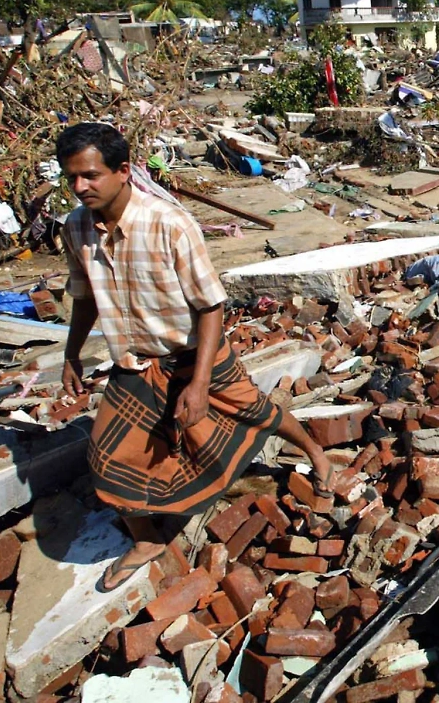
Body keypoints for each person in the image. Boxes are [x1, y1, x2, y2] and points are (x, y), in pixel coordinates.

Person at [58, 122, 338, 591]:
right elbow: (84, 296)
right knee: (105, 456)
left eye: (90, 175)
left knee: (255, 410)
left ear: (123, 171)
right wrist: (71, 355)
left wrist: (200, 382)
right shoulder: (76, 228)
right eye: (72, 178)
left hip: (193, 353)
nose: (80, 186)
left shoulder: (168, 223)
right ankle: (147, 539)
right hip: (135, 362)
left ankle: (315, 453)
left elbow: (210, 306)